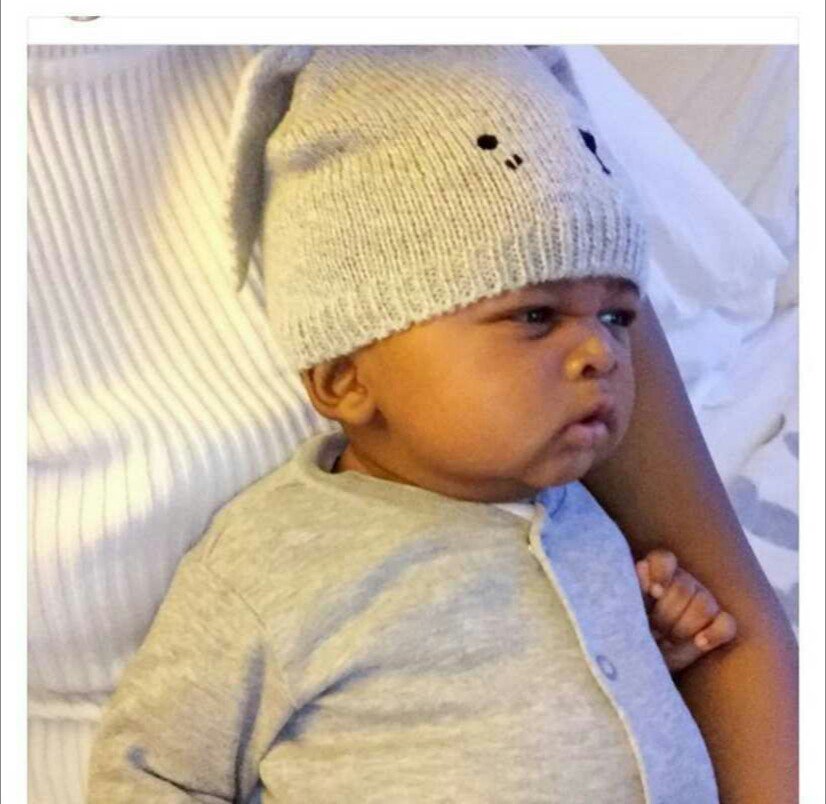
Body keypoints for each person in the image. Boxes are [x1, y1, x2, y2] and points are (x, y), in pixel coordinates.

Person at [85, 45, 794, 802]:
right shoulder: (273, 562)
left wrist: (650, 648)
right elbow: (148, 772)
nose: (602, 352)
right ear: (345, 378)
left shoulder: (581, 517)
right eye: (535, 315)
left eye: (618, 316)